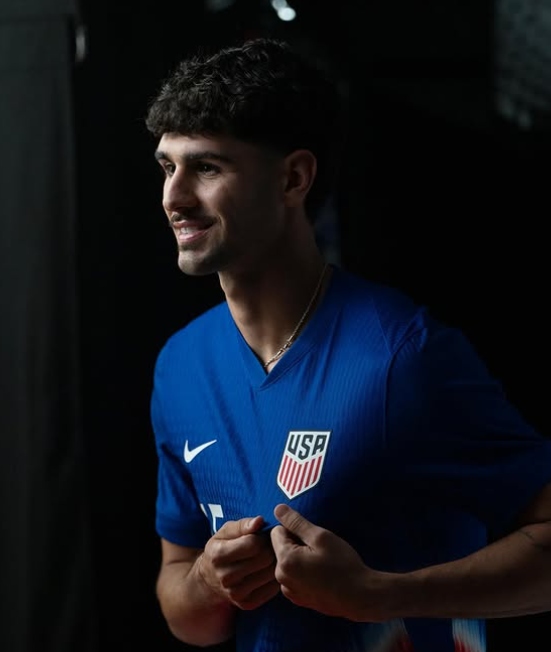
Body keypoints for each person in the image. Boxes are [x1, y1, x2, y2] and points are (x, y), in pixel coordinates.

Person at [144, 36, 551, 652]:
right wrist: (207, 579)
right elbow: (184, 612)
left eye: (206, 167)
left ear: (294, 178)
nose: (174, 197)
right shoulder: (179, 366)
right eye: (167, 166)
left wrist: (381, 594)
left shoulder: (403, 355)